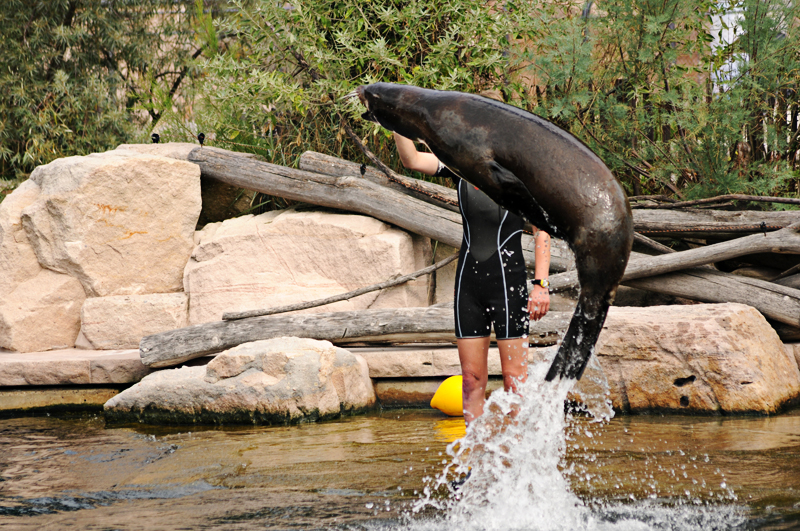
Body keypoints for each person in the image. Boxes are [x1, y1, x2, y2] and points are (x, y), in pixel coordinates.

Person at [392, 132, 551, 425]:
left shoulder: (520, 176)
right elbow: (411, 159)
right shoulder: (460, 166)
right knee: (471, 380)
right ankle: (473, 463)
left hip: (508, 285)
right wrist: (394, 120)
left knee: (515, 380)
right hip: (469, 286)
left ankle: (517, 463)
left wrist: (541, 285)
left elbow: (541, 230)